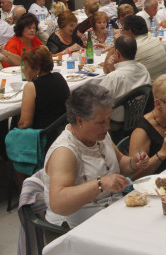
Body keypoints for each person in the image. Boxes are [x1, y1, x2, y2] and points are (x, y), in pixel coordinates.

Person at [43, 84, 149, 228]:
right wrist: (101, 183)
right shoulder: (64, 152)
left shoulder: (99, 136)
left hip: (110, 214)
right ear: (79, 121)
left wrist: (132, 163)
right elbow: (58, 202)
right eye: (100, 122)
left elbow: (119, 164)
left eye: (108, 120)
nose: (107, 127)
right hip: (75, 227)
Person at [99, 35, 152, 130]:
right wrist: (112, 70)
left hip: (115, 123)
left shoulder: (114, 78)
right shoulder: (143, 68)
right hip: (137, 117)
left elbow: (97, 103)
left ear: (117, 53)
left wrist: (112, 72)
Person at [17, 46, 69, 129]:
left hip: (42, 135)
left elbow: (24, 124)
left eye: (26, 68)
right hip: (62, 129)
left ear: (37, 69)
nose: (23, 71)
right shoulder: (59, 77)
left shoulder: (31, 87)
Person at [112, 15, 166, 81]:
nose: (122, 33)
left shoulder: (133, 48)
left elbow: (112, 71)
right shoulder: (155, 40)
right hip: (164, 83)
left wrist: (115, 45)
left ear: (130, 32)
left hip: (150, 88)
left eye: (122, 30)